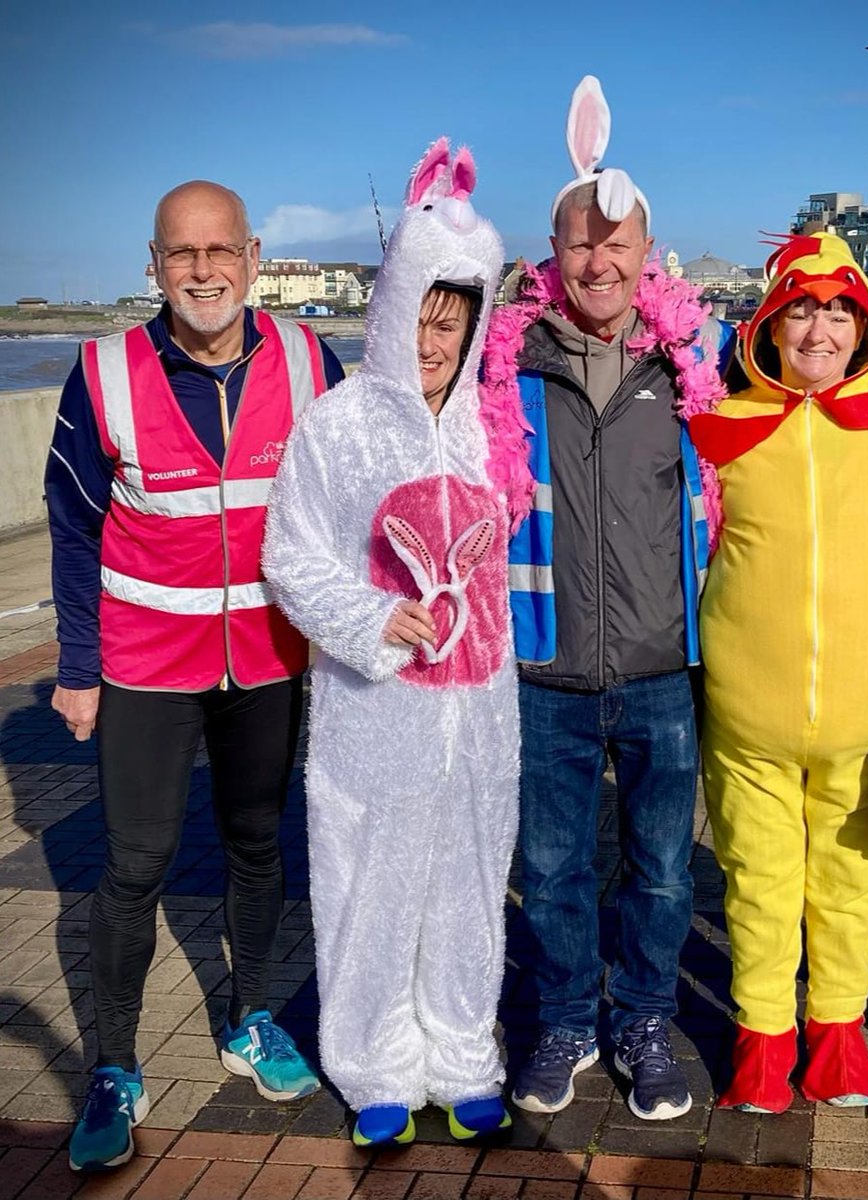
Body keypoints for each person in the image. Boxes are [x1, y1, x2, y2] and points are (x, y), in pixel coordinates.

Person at [46, 180, 344, 1172]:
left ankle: (253, 1017)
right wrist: (79, 668)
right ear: (154, 265)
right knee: (135, 865)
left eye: (220, 251)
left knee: (258, 843)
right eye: (183, 255)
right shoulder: (102, 374)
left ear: (255, 257)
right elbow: (75, 526)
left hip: (267, 657)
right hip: (144, 663)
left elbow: (348, 501)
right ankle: (116, 1066)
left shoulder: (310, 362)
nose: (204, 271)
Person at [479, 76, 729, 1121]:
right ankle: (567, 1018)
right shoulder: (505, 370)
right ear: (555, 255)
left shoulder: (688, 365)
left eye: (618, 245)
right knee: (552, 866)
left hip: (664, 669)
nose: (599, 262)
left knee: (665, 871)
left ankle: (643, 1021)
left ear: (645, 257)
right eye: (582, 244)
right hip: (544, 667)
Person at [263, 139, 520, 1146]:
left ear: (472, 326)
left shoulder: (492, 430)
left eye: (451, 324)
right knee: (372, 892)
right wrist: (370, 623)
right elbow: (293, 557)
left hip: (478, 719)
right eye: (419, 317)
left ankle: (463, 1053)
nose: (432, 342)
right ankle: (374, 1062)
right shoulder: (334, 428)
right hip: (378, 721)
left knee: (466, 890)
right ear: (388, 311)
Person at [688, 232, 868, 1113]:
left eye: (838, 310)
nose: (819, 329)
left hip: (867, 708)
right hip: (749, 709)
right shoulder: (718, 427)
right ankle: (761, 1039)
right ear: (770, 323)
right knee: (756, 877)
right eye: (801, 308)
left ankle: (836, 1038)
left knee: (853, 879)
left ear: (863, 325)